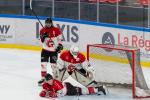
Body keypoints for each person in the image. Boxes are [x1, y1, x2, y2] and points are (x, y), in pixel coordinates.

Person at [38, 18, 63, 86]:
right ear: (45, 23)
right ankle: (43, 78)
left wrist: (60, 46)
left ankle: (55, 78)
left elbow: (60, 39)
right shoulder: (42, 30)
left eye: (49, 23)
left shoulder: (56, 30)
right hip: (45, 50)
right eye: (47, 23)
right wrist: (43, 36)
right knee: (43, 64)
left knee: (54, 66)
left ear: (51, 23)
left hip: (53, 51)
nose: (48, 24)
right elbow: (41, 41)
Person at [39, 73, 106, 98]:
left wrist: (56, 94)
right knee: (81, 91)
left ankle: (99, 88)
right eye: (49, 80)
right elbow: (45, 90)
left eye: (51, 80)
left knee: (82, 91)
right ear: (46, 81)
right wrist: (44, 92)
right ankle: (97, 88)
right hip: (65, 87)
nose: (50, 81)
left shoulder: (56, 83)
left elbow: (63, 92)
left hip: (67, 89)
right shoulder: (45, 84)